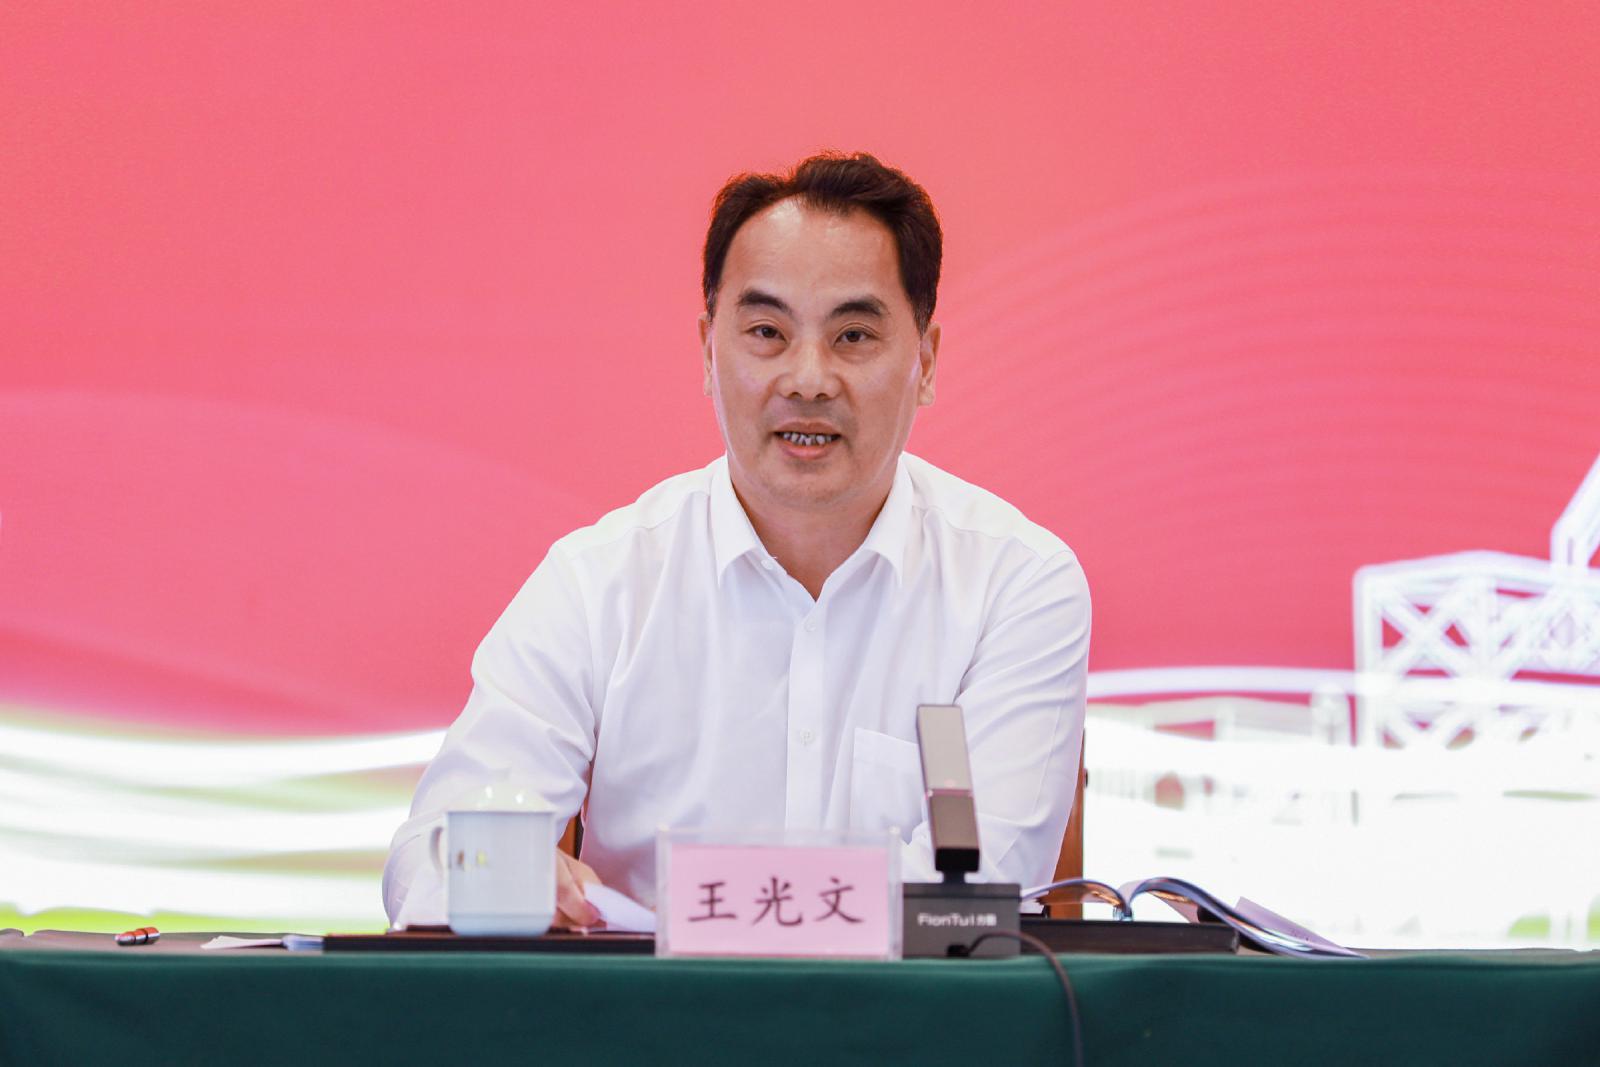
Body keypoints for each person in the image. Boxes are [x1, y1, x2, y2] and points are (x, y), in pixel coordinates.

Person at [383, 152, 1090, 929]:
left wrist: (693, 909)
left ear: (925, 362)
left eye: (854, 334)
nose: (809, 378)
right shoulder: (599, 583)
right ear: (707, 352)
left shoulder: (1016, 585)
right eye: (766, 332)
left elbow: (972, 898)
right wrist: (507, 877)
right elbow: (427, 863)